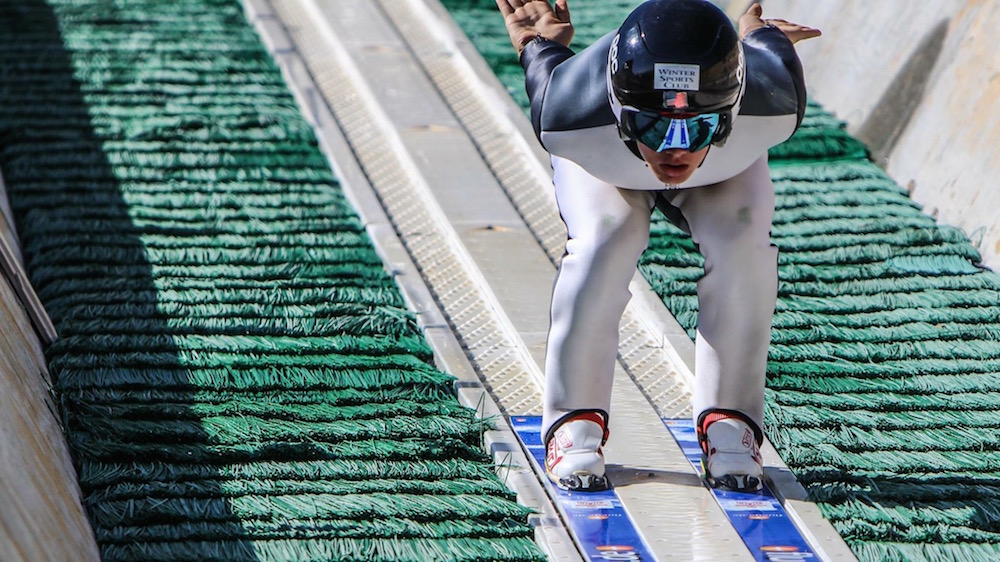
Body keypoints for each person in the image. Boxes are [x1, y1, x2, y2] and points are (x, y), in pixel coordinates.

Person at [494, 0, 821, 492]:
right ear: (618, 108)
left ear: (733, 111)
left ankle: (729, 419)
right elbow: (548, 70)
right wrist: (537, 44)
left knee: (743, 244)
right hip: (607, 158)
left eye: (699, 125)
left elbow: (765, 48)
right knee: (606, 240)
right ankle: (573, 418)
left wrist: (758, 35)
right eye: (652, 125)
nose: (676, 149)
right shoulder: (570, 112)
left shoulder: (770, 96)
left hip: (720, 166)